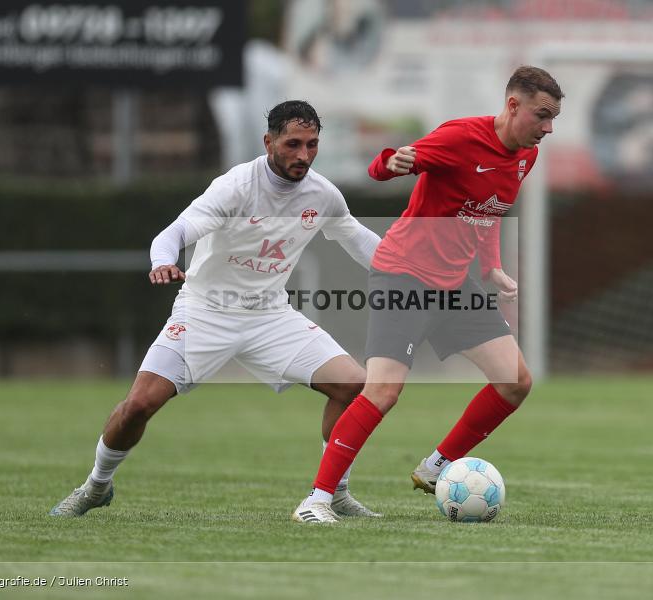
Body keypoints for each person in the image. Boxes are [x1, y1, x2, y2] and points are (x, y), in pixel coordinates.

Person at [49, 100, 383, 520]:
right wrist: (162, 263)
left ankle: (333, 492)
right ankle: (96, 486)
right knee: (139, 405)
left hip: (269, 315)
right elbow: (173, 233)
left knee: (353, 384)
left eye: (312, 145)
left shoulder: (323, 194)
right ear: (269, 142)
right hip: (205, 311)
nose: (303, 155)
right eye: (293, 144)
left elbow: (357, 239)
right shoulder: (236, 187)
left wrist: (409, 269)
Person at [293, 66, 563, 523]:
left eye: (554, 118)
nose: (549, 128)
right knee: (382, 391)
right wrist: (391, 163)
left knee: (515, 381)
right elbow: (380, 168)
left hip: (456, 284)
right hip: (404, 275)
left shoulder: (524, 156)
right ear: (513, 106)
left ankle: (436, 467)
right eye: (542, 116)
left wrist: (491, 266)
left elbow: (491, 210)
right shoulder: (460, 138)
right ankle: (316, 501)